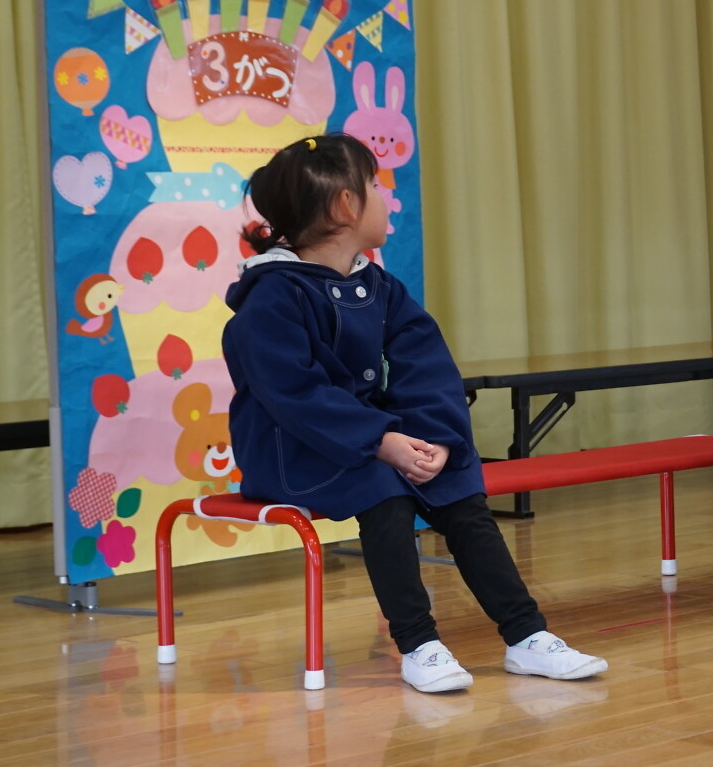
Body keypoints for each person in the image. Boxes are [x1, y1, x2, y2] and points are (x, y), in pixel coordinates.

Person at [222, 133, 607, 693]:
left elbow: (427, 368)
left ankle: (526, 636)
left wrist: (436, 439)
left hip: (369, 440)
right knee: (384, 488)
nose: (385, 198)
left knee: (457, 483)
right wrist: (381, 441)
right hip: (292, 451)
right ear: (345, 205)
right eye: (374, 185)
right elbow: (295, 394)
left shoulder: (380, 286)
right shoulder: (272, 297)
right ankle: (418, 643)